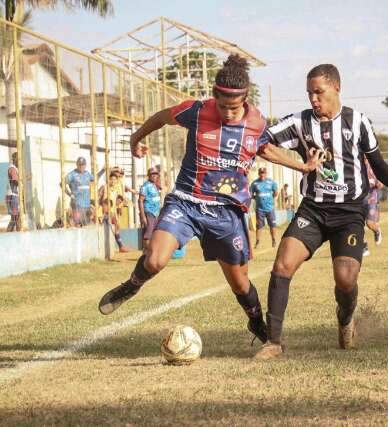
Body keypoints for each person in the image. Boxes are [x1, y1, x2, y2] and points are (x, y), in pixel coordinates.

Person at [97, 55, 324, 347]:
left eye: (235, 108)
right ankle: (131, 285)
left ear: (244, 100)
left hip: (227, 212)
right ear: (214, 97)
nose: (229, 114)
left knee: (240, 284)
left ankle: (255, 320)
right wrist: (135, 139)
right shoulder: (196, 111)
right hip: (185, 201)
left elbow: (263, 149)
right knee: (154, 260)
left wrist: (301, 166)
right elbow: (160, 117)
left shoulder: (256, 122)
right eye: (223, 107)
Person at [254, 64, 388, 359]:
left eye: (319, 92)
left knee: (345, 279)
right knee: (282, 266)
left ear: (336, 88)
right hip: (313, 210)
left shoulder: (358, 122)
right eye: (309, 93)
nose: (313, 99)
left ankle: (345, 320)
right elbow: (260, 143)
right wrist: (299, 165)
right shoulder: (300, 122)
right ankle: (274, 342)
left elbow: (377, 163)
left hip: (349, 213)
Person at [98, 172, 130, 253]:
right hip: (105, 211)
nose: (113, 181)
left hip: (113, 211)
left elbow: (119, 199)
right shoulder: (105, 187)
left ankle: (120, 246)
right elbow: (99, 196)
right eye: (111, 179)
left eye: (114, 180)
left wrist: (121, 203)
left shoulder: (116, 189)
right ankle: (120, 246)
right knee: (110, 225)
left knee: (116, 225)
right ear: (108, 180)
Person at [249, 167, 278, 248]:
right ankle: (257, 242)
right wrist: (257, 198)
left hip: (270, 208)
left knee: (272, 225)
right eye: (261, 173)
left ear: (266, 173)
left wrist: (270, 199)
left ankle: (274, 240)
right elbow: (251, 194)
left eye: (264, 173)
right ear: (259, 173)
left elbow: (276, 192)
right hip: (259, 209)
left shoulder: (271, 182)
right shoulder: (254, 183)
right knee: (259, 226)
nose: (262, 174)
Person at [65, 157, 94, 227]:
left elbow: (95, 178)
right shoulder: (72, 174)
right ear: (77, 165)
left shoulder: (87, 174)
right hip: (77, 204)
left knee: (86, 225)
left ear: (85, 165)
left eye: (83, 165)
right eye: (79, 165)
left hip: (86, 204)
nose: (81, 166)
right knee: (77, 225)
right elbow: (62, 184)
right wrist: (69, 194)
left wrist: (103, 170)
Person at [362, 159, 383, 257]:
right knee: (357, 226)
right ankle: (364, 247)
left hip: (371, 199)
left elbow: (381, 183)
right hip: (357, 200)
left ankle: (377, 230)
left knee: (369, 224)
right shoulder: (354, 166)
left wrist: (379, 184)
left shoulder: (374, 167)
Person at [139, 166, 162, 250]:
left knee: (154, 232)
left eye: (156, 174)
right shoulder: (145, 186)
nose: (154, 176)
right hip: (149, 212)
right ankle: (147, 252)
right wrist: (143, 216)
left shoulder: (155, 185)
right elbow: (140, 200)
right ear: (148, 175)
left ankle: (151, 251)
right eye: (152, 174)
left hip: (156, 213)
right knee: (148, 233)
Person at [6, 152, 21, 232]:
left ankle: (18, 236)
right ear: (15, 160)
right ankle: (7, 236)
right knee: (14, 218)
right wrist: (22, 180)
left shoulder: (14, 168)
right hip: (12, 195)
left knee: (16, 218)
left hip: (13, 195)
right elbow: (15, 181)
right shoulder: (12, 169)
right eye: (19, 160)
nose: (20, 162)